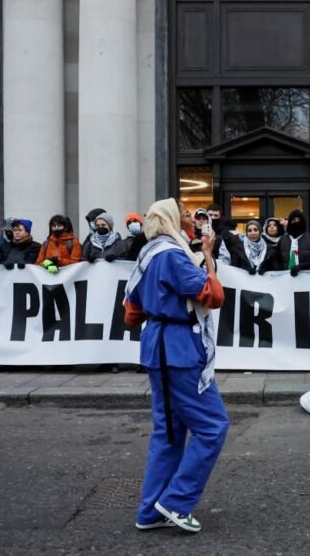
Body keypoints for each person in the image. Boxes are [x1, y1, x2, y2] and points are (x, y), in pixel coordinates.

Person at [124, 198, 227, 534]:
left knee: (169, 433)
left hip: (157, 345)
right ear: (170, 219)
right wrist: (208, 255)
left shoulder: (149, 253)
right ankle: (176, 501)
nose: (191, 218)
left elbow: (131, 312)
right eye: (184, 214)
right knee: (212, 426)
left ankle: (150, 511)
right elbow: (213, 295)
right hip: (180, 348)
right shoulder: (173, 255)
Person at [276, 209, 310, 275]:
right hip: (286, 278)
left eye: (298, 220)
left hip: (307, 278)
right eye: (293, 220)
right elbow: (276, 259)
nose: (296, 222)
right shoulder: (282, 240)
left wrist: (302, 267)